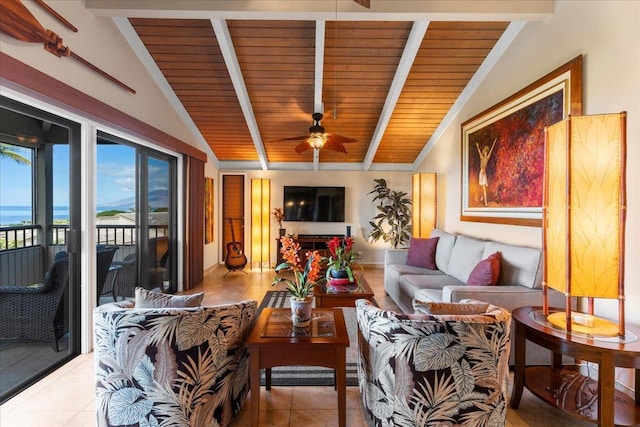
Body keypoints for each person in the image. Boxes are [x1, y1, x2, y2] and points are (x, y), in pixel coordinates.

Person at [475, 138, 497, 206]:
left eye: (486, 152)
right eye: (485, 152)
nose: (486, 153)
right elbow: (479, 152)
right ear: (483, 152)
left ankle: (486, 202)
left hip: (484, 174)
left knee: (484, 188)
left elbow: (491, 151)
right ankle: (481, 197)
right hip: (481, 173)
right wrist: (477, 147)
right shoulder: (482, 158)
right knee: (481, 187)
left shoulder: (487, 158)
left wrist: (493, 143)